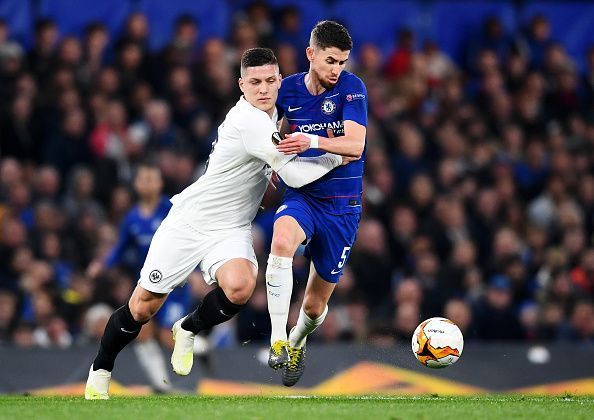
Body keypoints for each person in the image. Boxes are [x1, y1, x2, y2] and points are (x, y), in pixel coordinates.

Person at [84, 47, 346, 400]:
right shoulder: (248, 121)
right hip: (191, 222)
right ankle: (101, 368)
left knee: (240, 286)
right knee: (142, 307)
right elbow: (296, 177)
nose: (264, 89)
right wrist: (337, 155)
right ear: (242, 85)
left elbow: (270, 180)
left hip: (232, 227)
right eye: (255, 82)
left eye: (270, 80)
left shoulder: (277, 114)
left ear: (279, 81)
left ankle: (188, 329)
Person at [265, 20, 368, 387]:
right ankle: (277, 339)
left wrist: (311, 141)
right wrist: (272, 159)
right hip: (303, 197)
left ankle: (297, 340)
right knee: (280, 242)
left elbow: (355, 145)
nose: (336, 70)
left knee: (313, 306)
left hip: (342, 207)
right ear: (310, 54)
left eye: (342, 62)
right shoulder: (288, 90)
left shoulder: (352, 89)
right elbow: (271, 128)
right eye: (329, 61)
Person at [86, 162, 178, 393]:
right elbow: (119, 248)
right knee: (143, 331)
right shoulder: (131, 218)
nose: (147, 183)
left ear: (160, 183)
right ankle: (160, 384)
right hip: (148, 281)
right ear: (136, 184)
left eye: (151, 178)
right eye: (143, 178)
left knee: (167, 336)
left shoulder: (170, 208)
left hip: (176, 280)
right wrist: (102, 265)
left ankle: (202, 349)